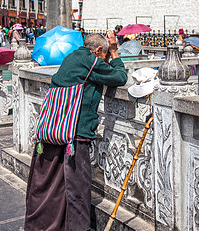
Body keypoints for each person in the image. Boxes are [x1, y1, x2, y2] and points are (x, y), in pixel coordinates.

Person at [24, 32, 128, 231]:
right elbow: (120, 77)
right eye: (104, 55)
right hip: (75, 133)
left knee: (51, 186)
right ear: (98, 51)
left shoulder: (71, 57)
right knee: (77, 188)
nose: (104, 60)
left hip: (53, 128)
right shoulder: (90, 61)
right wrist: (114, 52)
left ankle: (41, 225)